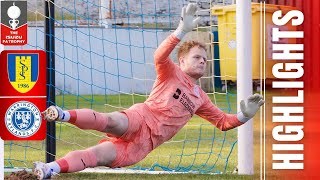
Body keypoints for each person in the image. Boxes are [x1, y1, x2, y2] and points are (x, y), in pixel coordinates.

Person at [33, 3, 264, 179]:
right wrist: (181, 30)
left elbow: (223, 122)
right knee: (110, 120)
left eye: (205, 58)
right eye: (197, 57)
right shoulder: (171, 71)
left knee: (95, 156)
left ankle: (48, 170)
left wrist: (245, 115)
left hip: (143, 146)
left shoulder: (201, 99)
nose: (203, 61)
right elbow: (159, 56)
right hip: (141, 118)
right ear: (182, 60)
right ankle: (61, 114)